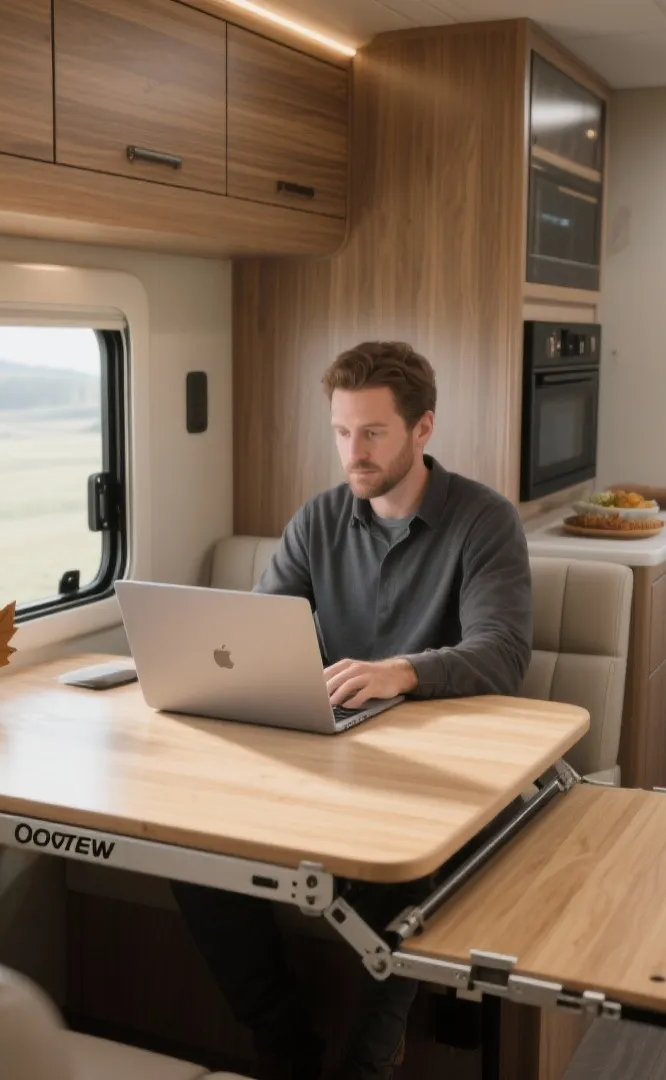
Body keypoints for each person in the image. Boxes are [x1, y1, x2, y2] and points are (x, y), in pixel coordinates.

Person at [170, 341, 534, 1080]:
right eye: (341, 431)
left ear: (422, 429)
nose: (353, 453)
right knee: (193, 852)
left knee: (400, 874)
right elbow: (256, 638)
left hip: (437, 772)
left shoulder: (485, 521)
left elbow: (502, 654)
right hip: (328, 758)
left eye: (373, 433)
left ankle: (369, 1060)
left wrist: (400, 672)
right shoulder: (316, 522)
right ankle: (283, 1043)